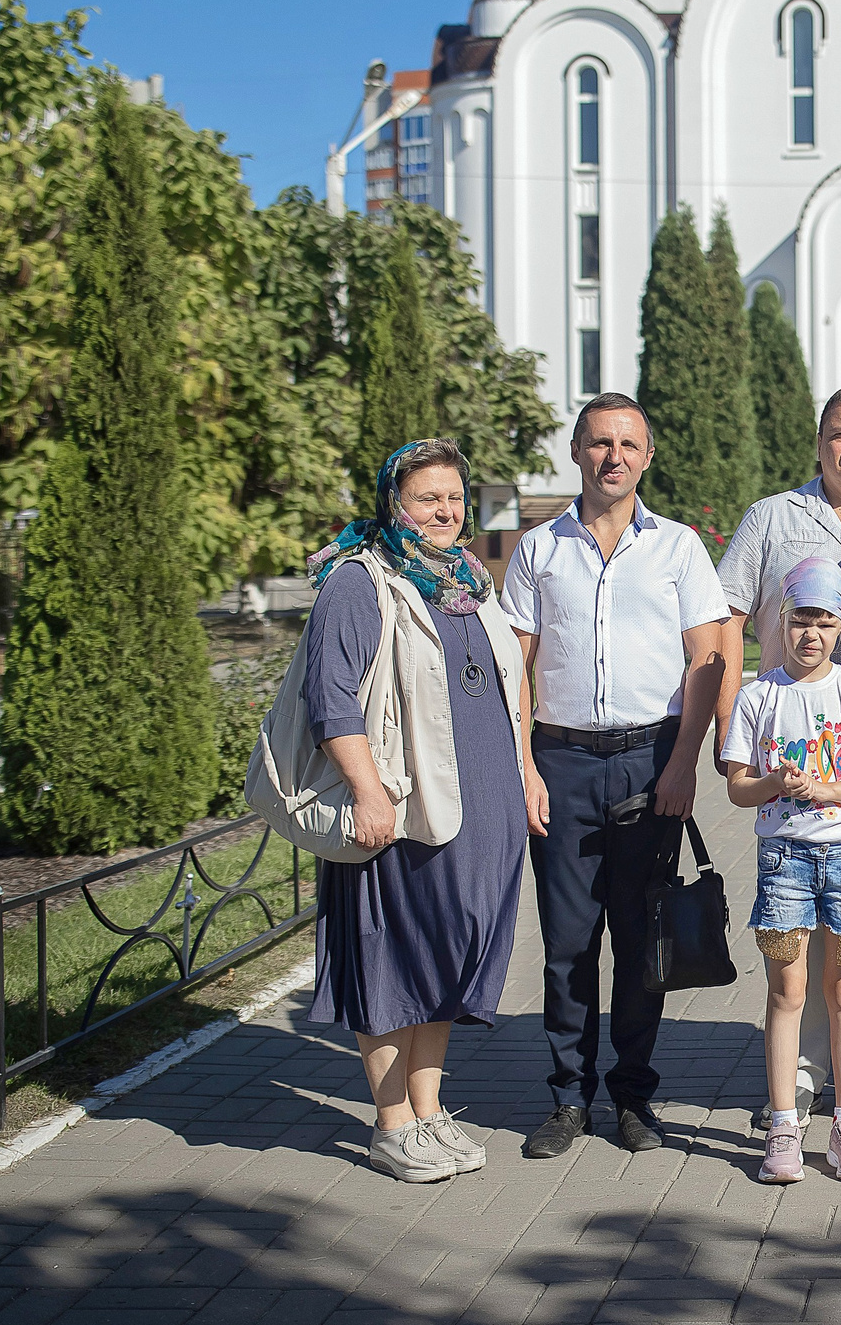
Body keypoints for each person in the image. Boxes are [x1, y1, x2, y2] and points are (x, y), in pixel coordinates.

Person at [497, 393, 731, 1159]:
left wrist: (683, 763)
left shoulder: (679, 548)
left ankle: (634, 1096)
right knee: (567, 943)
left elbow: (707, 658)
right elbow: (515, 669)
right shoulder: (538, 550)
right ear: (576, 450)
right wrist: (524, 764)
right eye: (600, 442)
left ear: (647, 456)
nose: (614, 457)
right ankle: (569, 1099)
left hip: (647, 760)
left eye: (628, 444)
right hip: (561, 762)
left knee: (641, 941)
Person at [301, 440, 534, 1183]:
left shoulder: (469, 579)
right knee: (391, 952)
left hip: (481, 808)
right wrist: (366, 789)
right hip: (404, 807)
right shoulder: (360, 582)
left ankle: (428, 1109)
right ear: (393, 502)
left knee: (448, 952)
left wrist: (525, 770)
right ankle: (391, 1120)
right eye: (428, 497)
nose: (444, 510)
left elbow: (508, 684)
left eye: (454, 497)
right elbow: (330, 696)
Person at [720, 385, 841, 1122]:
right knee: (792, 913)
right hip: (788, 765)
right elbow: (724, 620)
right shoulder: (773, 518)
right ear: (820, 440)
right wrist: (725, 723)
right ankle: (800, 1070)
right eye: (840, 432)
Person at [721, 557, 841, 1184]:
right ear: (782, 620)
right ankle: (782, 1125)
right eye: (801, 619)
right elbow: (738, 790)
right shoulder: (759, 695)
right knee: (787, 993)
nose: (812, 635)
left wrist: (834, 792)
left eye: (825, 622)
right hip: (785, 860)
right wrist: (777, 781)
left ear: (838, 627)